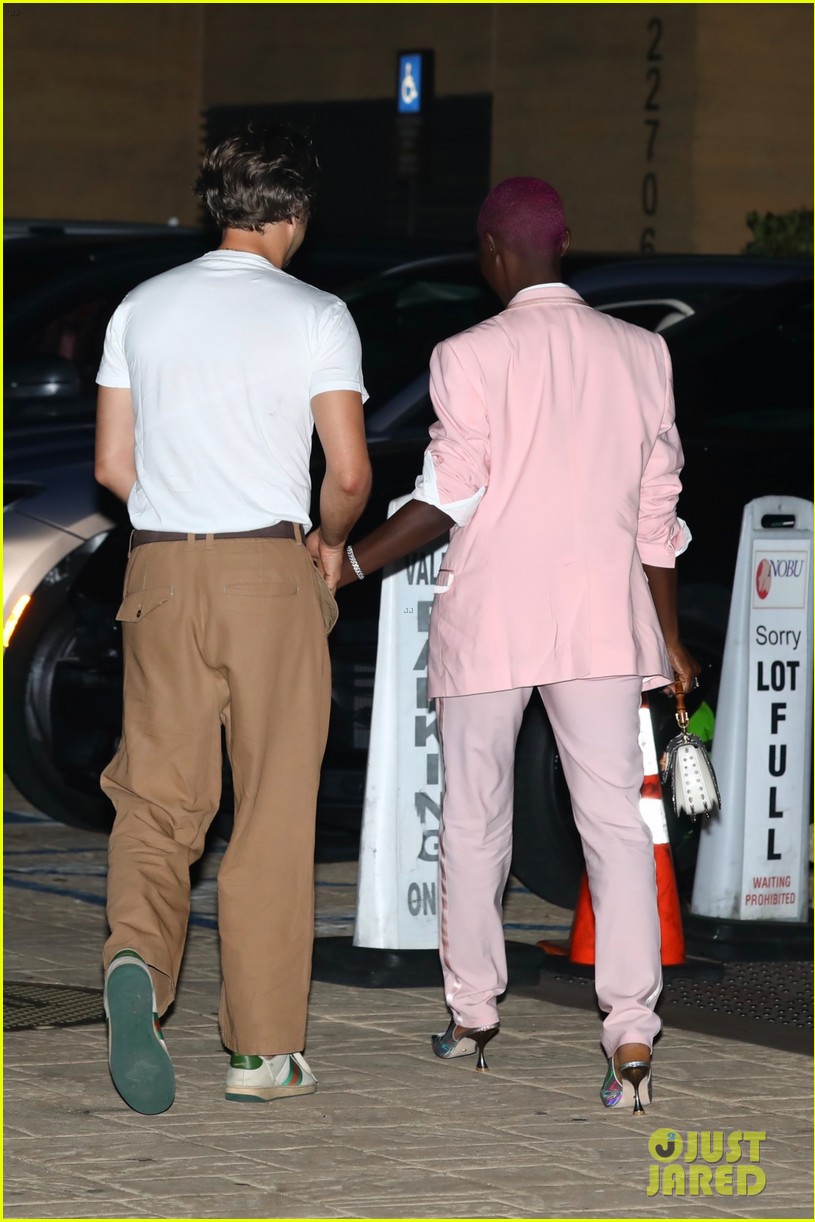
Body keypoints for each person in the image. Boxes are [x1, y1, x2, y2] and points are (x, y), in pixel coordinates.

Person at [332, 177, 699, 1112]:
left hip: (492, 621)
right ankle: (630, 1035)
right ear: (561, 246)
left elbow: (450, 492)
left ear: (493, 251)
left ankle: (472, 1015)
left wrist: (345, 563)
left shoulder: (466, 353)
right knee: (615, 828)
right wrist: (668, 635)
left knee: (474, 820)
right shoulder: (642, 353)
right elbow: (656, 517)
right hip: (600, 624)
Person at [94, 124, 371, 1114]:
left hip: (161, 571)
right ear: (293, 217)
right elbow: (346, 472)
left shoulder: (140, 307)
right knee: (269, 813)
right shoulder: (315, 314)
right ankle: (261, 1053)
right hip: (268, 569)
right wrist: (331, 544)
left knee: (158, 802)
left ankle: (135, 962)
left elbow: (113, 468)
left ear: (220, 210)